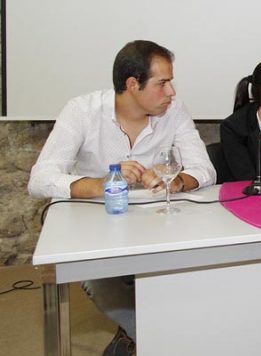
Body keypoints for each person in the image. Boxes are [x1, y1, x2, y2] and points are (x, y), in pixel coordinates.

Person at [28, 40, 215, 356]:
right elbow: (40, 179)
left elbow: (204, 169)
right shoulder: (82, 111)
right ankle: (159, 340)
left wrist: (175, 181)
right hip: (96, 229)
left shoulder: (175, 111)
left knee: (198, 276)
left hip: (159, 227)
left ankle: (139, 339)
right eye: (162, 83)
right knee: (106, 285)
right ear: (132, 85)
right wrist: (101, 184)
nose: (171, 92)